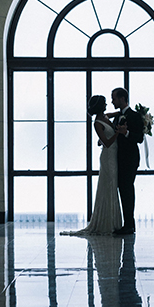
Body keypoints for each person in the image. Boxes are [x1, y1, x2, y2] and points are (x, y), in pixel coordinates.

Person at [60, 95, 122, 236]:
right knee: (108, 187)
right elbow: (106, 142)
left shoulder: (106, 117)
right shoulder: (97, 123)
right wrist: (117, 133)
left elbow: (119, 113)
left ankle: (113, 222)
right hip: (108, 158)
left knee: (111, 187)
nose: (107, 104)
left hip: (113, 156)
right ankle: (108, 223)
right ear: (100, 106)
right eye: (105, 103)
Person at [110, 87, 144, 235]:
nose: (112, 101)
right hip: (118, 159)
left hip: (130, 158)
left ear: (122, 99)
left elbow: (140, 138)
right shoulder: (117, 117)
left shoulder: (135, 116)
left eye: (114, 98)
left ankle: (129, 224)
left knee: (127, 189)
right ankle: (128, 223)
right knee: (123, 189)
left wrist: (127, 133)